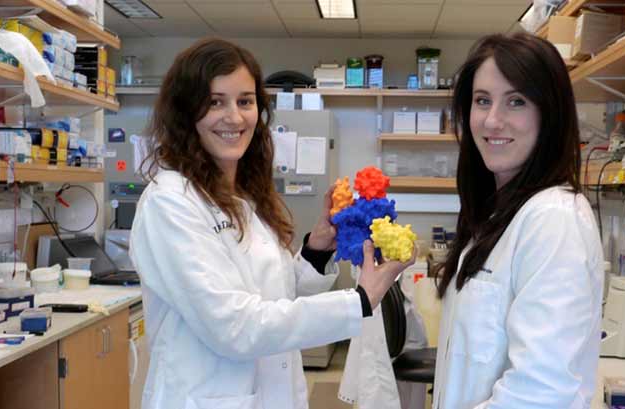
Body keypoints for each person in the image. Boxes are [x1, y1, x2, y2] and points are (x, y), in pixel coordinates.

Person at [129, 37, 414, 409]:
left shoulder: (244, 197)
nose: (234, 117)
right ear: (185, 112)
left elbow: (275, 297)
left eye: (245, 101)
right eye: (215, 102)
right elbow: (234, 326)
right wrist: (359, 300)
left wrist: (315, 250)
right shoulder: (170, 203)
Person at [432, 32, 604, 408]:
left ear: (549, 114)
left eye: (516, 102)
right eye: (482, 101)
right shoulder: (496, 215)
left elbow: (540, 393)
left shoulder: (554, 219)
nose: (493, 120)